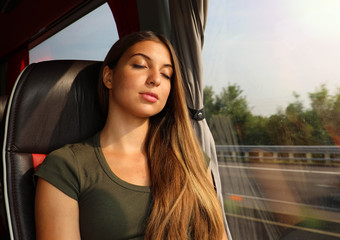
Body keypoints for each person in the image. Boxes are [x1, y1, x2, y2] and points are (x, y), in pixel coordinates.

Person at [34, 31, 228, 240]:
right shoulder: (66, 167)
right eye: (140, 65)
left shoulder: (191, 159)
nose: (155, 79)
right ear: (109, 77)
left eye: (166, 74)